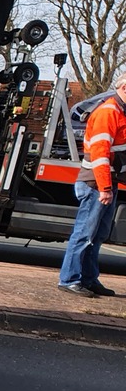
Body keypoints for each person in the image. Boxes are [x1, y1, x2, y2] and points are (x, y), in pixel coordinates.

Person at [58, 72, 125, 297]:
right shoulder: (109, 112)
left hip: (106, 181)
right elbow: (100, 154)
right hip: (96, 183)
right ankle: (69, 279)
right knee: (85, 233)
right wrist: (105, 187)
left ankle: (88, 279)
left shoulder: (118, 111)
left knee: (97, 234)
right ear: (124, 87)